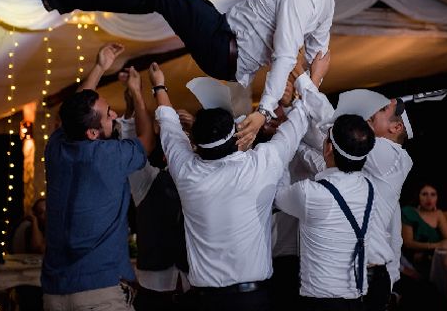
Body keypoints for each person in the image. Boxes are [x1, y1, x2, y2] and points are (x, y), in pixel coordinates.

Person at [30, 0, 335, 148]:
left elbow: (285, 54)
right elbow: (318, 54)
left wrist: (265, 111)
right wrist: (307, 84)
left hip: (222, 48)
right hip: (222, 30)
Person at [149, 61, 311, 311]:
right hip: (252, 300)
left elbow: (169, 126)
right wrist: (310, 82)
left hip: (205, 301)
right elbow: (297, 124)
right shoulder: (260, 164)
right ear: (235, 135)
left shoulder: (186, 171)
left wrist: (159, 85)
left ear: (196, 142)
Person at [41, 43, 154, 311]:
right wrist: (137, 94)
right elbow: (146, 141)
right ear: (92, 133)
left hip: (54, 292)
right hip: (98, 294)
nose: (113, 114)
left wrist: (100, 66)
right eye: (107, 115)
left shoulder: (55, 148)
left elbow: (72, 111)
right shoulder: (107, 156)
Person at [291, 77, 413, 310]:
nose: (370, 111)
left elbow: (334, 128)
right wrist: (290, 138)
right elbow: (324, 152)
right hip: (350, 275)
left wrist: (305, 80)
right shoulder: (365, 162)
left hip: (369, 275)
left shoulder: (392, 155)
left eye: (381, 110)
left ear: (395, 128)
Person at [275, 113, 376, 311]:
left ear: (328, 148)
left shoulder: (310, 194)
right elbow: (326, 166)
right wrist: (297, 145)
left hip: (320, 303)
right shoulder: (369, 186)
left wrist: (285, 142)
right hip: (357, 299)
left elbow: (276, 193)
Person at [115, 71, 189, 311]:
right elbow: (129, 142)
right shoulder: (148, 181)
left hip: (194, 288)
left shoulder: (201, 180)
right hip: (154, 291)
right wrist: (136, 95)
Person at [401, 183, 447, 278]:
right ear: (418, 196)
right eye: (424, 194)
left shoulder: (439, 214)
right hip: (412, 262)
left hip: (435, 260)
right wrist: (436, 245)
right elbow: (408, 243)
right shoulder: (408, 212)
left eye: (433, 194)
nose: (429, 199)